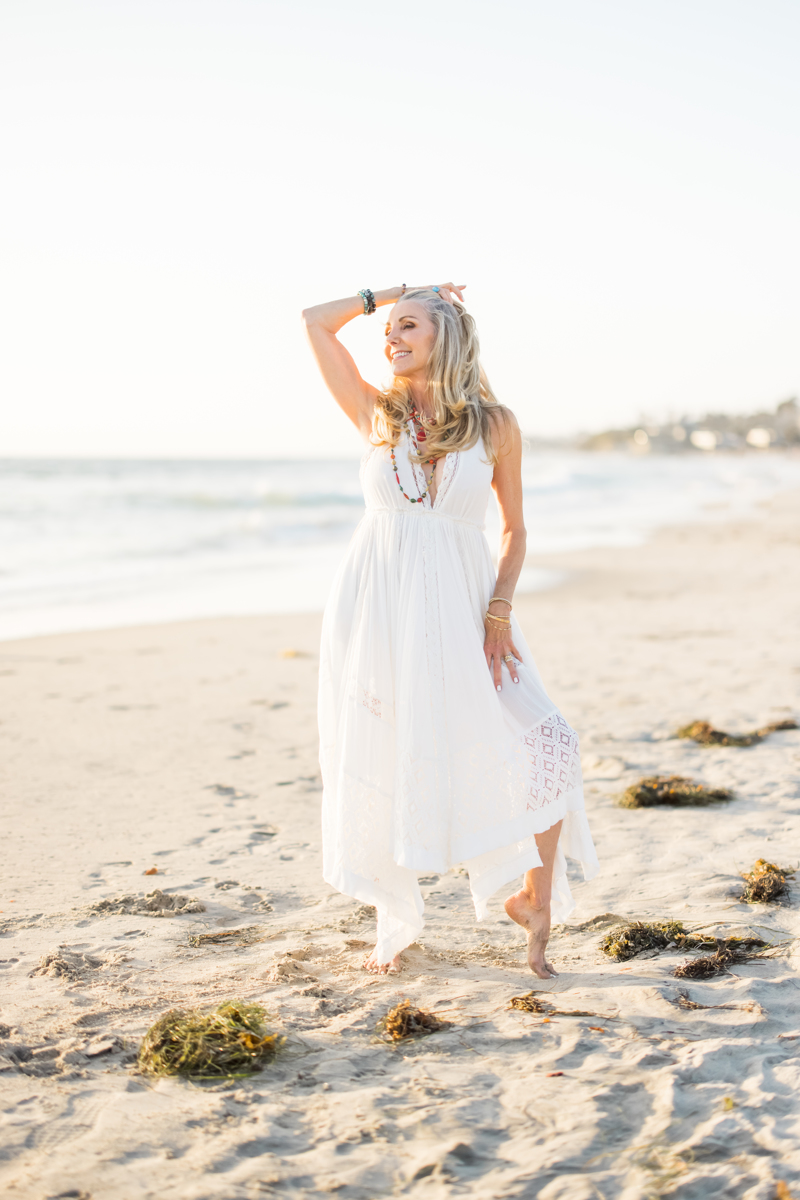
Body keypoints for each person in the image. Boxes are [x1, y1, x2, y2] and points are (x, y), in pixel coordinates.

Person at [302, 283, 598, 977]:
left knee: (549, 737)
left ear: (447, 336)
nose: (391, 338)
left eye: (408, 326)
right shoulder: (376, 414)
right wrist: (385, 294)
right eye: (387, 330)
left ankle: (536, 900)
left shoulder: (496, 425)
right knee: (385, 746)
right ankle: (394, 919)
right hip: (380, 610)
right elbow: (316, 322)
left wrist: (500, 610)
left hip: (469, 612)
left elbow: (516, 531)